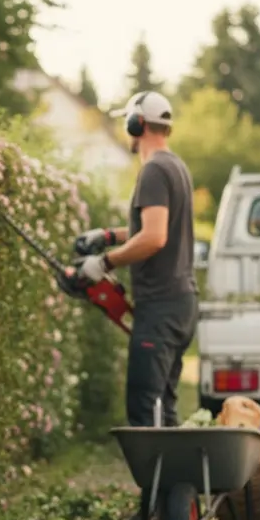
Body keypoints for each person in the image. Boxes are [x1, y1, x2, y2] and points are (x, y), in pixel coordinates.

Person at [72, 90, 198, 430]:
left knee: (145, 411)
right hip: (181, 304)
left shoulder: (154, 170)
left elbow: (155, 237)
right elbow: (153, 227)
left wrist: (104, 263)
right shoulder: (177, 167)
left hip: (160, 308)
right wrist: (108, 236)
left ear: (136, 123)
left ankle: (159, 484)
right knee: (163, 408)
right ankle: (177, 485)